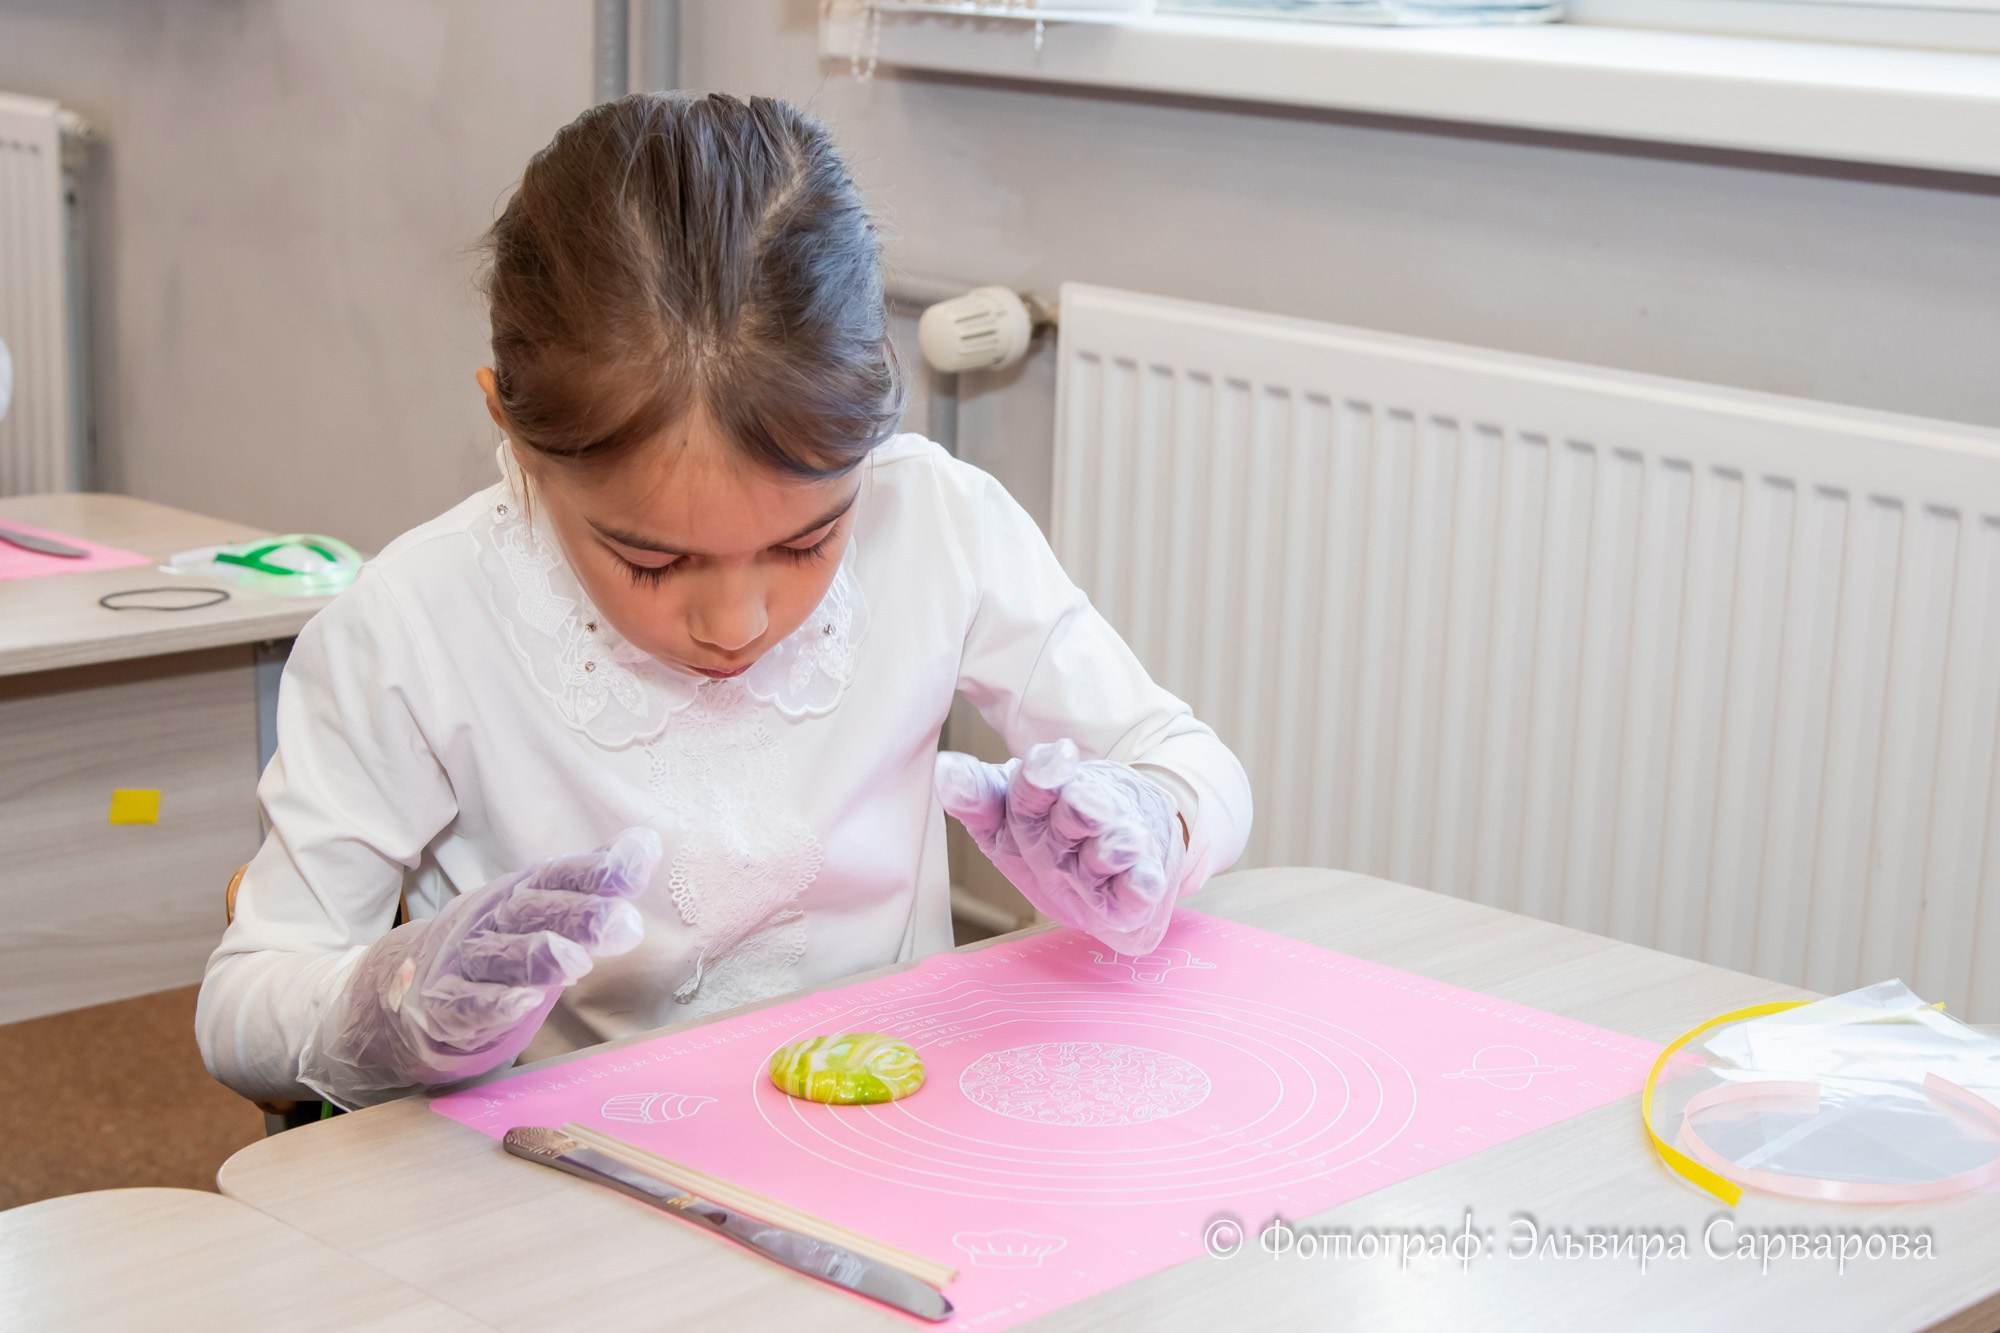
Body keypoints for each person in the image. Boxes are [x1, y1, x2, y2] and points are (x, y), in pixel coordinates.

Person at [196, 93, 1252, 1111]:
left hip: (890, 1141)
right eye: (652, 563)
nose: (737, 624)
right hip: (557, 1172)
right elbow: (243, 1006)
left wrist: (1153, 822)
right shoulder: (412, 626)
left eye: (806, 541)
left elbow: (1186, 760)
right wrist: (394, 1004)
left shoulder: (937, 522)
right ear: (512, 433)